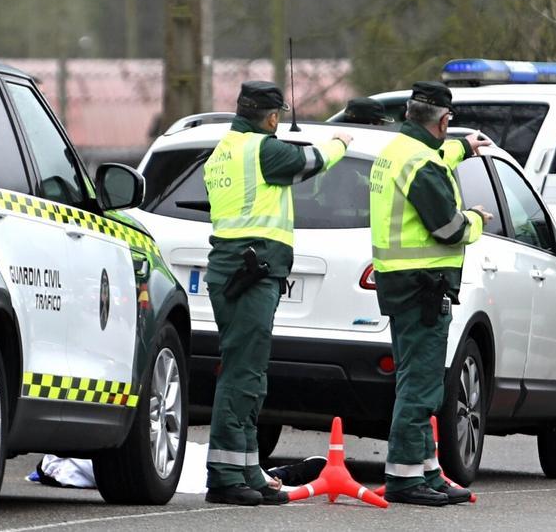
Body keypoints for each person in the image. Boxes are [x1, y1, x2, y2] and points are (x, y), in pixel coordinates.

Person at [202, 80, 353, 506]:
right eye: (277, 119)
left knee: (248, 372)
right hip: (250, 272)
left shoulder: (224, 150)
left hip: (239, 270)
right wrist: (340, 142)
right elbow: (311, 161)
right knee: (243, 374)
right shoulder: (262, 150)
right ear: (271, 118)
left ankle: (247, 469)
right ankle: (226, 476)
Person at [369, 81, 492, 506]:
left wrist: (464, 147)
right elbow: (449, 228)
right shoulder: (422, 165)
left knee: (416, 379)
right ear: (443, 121)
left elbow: (439, 154)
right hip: (423, 285)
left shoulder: (397, 152)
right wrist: (476, 219)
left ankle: (426, 471)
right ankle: (405, 477)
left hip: (401, 283)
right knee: (421, 385)